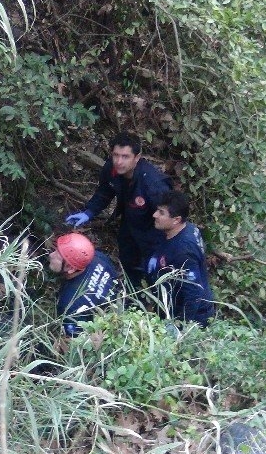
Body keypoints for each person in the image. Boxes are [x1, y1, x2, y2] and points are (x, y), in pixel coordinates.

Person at [66, 132, 171, 290]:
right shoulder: (111, 168)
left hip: (153, 232)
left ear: (137, 157)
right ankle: (132, 295)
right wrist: (89, 212)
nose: (119, 162)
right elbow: (105, 191)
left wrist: (161, 250)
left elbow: (169, 218)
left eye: (125, 156)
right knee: (129, 266)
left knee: (154, 275)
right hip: (129, 224)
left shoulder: (153, 184)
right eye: (116, 155)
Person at [144, 190, 215, 327]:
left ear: (176, 220)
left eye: (161, 212)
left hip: (192, 317)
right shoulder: (187, 228)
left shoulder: (184, 250)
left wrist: (180, 326)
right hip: (170, 304)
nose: (154, 215)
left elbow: (193, 292)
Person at [48, 232, 119, 337]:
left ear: (70, 268)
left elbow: (76, 338)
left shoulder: (69, 304)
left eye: (57, 257)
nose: (51, 255)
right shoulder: (98, 256)